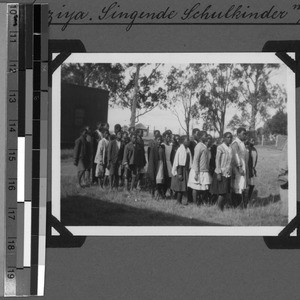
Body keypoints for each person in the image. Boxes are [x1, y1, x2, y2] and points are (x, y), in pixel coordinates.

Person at [188, 131, 212, 205]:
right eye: (205, 136)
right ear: (201, 137)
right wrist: (196, 172)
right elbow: (196, 160)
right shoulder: (199, 146)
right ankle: (195, 203)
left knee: (203, 188)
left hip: (204, 170)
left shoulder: (204, 146)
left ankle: (200, 201)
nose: (206, 137)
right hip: (198, 170)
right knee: (196, 187)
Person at [210, 132, 233, 210]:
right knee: (222, 192)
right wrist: (219, 173)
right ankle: (219, 208)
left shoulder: (230, 148)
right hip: (221, 173)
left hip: (227, 173)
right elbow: (217, 161)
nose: (229, 139)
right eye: (228, 137)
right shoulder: (220, 147)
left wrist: (230, 170)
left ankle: (222, 206)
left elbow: (230, 162)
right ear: (224, 138)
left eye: (231, 137)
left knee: (226, 191)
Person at [171, 136, 192, 205]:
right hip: (181, 170)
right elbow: (179, 162)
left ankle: (183, 200)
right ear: (183, 141)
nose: (188, 142)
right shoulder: (181, 150)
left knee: (184, 186)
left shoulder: (187, 149)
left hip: (185, 169)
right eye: (187, 141)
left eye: (189, 141)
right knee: (180, 186)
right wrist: (180, 174)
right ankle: (178, 201)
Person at [231, 127, 248, 208]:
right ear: (238, 134)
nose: (245, 135)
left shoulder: (242, 142)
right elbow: (236, 155)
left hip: (242, 166)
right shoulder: (235, 143)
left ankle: (240, 204)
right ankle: (235, 204)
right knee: (237, 185)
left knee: (241, 185)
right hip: (237, 167)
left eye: (245, 134)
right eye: (243, 134)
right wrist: (239, 167)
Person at [147, 135, 168, 199]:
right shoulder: (153, 148)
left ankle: (159, 193)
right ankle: (153, 193)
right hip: (155, 165)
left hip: (161, 164)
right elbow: (151, 159)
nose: (159, 141)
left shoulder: (162, 148)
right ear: (155, 140)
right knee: (154, 179)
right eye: (158, 140)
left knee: (160, 180)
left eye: (160, 140)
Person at [245, 137, 258, 202]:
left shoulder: (254, 149)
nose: (253, 142)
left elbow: (255, 160)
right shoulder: (247, 149)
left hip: (252, 169)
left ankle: (248, 198)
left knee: (252, 185)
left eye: (254, 141)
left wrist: (254, 168)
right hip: (247, 169)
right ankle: (245, 200)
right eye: (252, 141)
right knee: (247, 185)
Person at [278, 141, 288, 216]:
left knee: (284, 190)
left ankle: (285, 212)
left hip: (286, 171)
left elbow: (285, 157)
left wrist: (282, 169)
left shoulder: (289, 142)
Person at [162, 132, 173, 197]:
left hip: (169, 163)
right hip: (164, 163)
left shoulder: (171, 145)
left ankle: (168, 192)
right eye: (167, 137)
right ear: (164, 137)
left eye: (169, 137)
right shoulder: (162, 145)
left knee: (169, 178)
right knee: (164, 177)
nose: (168, 138)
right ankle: (163, 193)